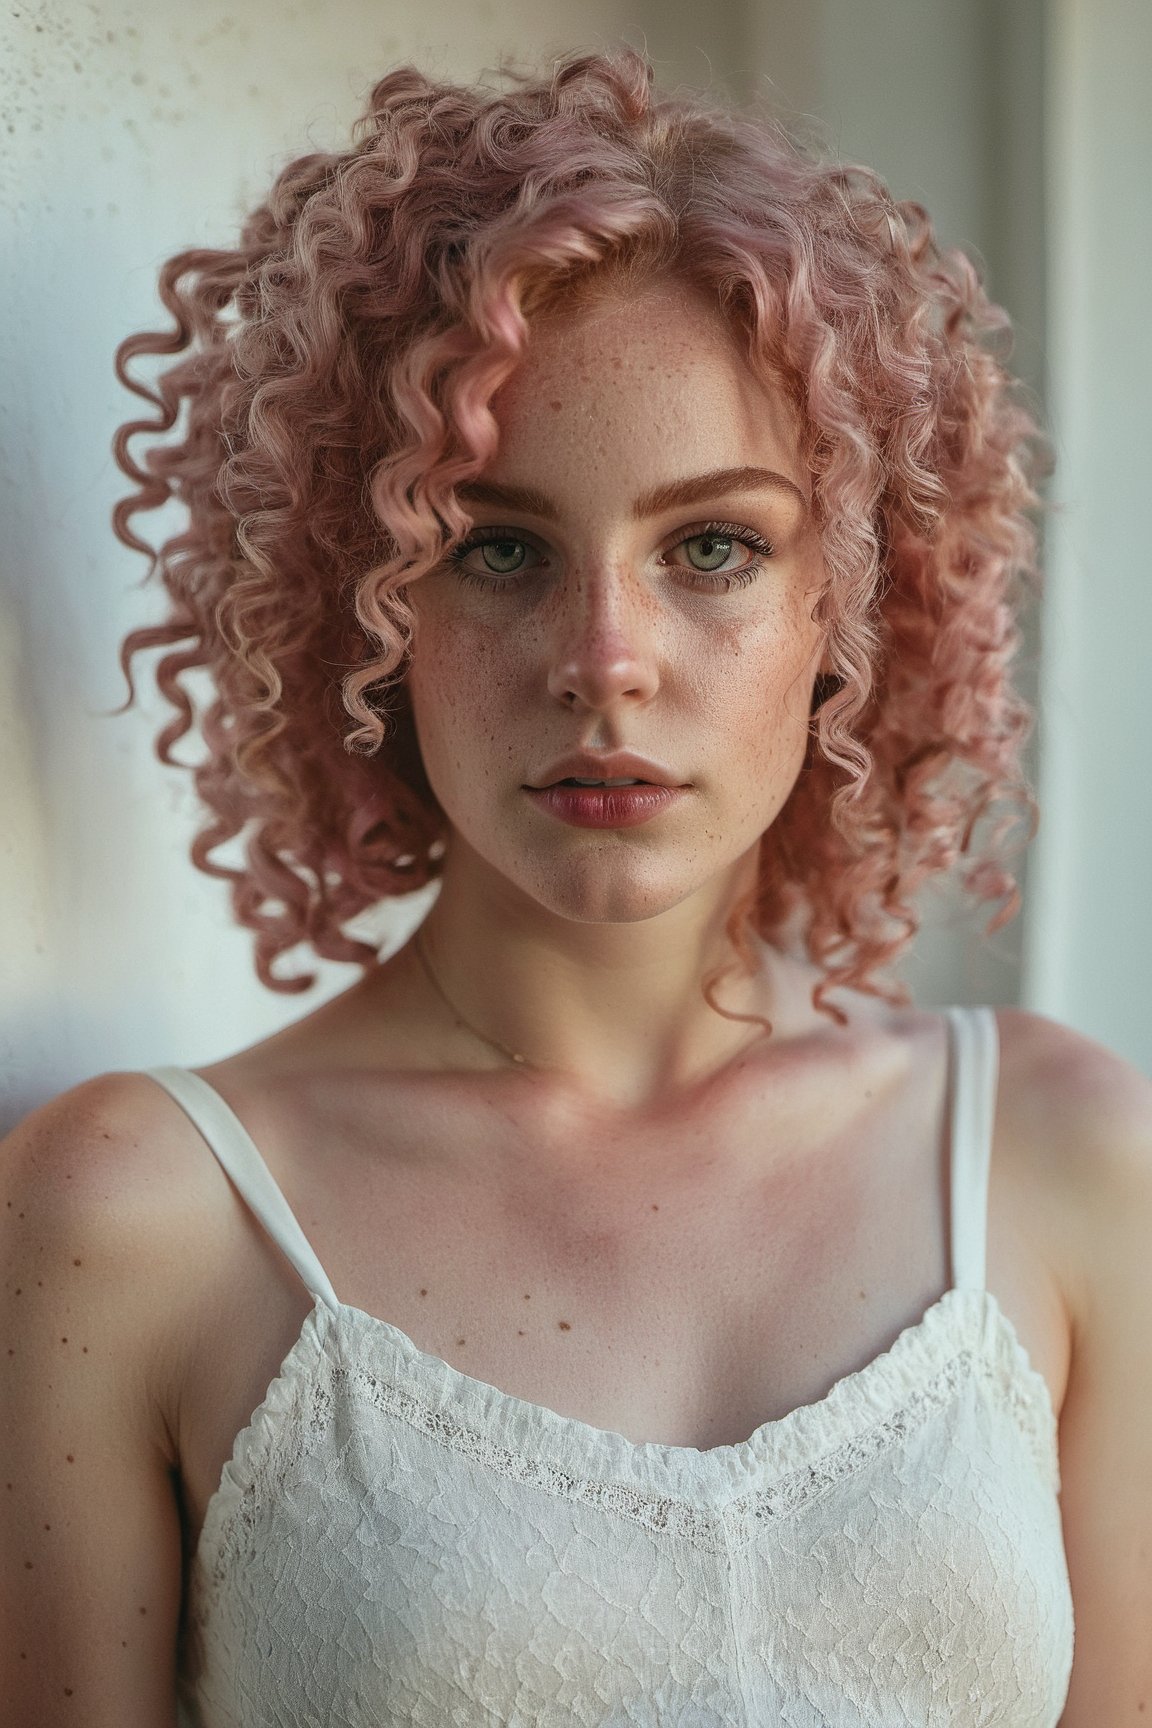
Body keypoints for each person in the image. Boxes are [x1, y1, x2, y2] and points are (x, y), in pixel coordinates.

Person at [2, 44, 1149, 1727]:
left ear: (848, 601)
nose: (605, 664)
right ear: (363, 600)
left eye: (712, 548)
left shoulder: (1065, 1162)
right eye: (499, 546)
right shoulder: (134, 1216)